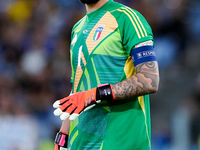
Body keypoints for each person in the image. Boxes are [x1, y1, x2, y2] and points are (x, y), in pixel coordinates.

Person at [53, 0, 160, 149]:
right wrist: (63, 137)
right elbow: (78, 87)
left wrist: (96, 94)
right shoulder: (77, 28)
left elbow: (149, 80)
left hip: (120, 142)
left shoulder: (127, 18)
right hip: (81, 143)